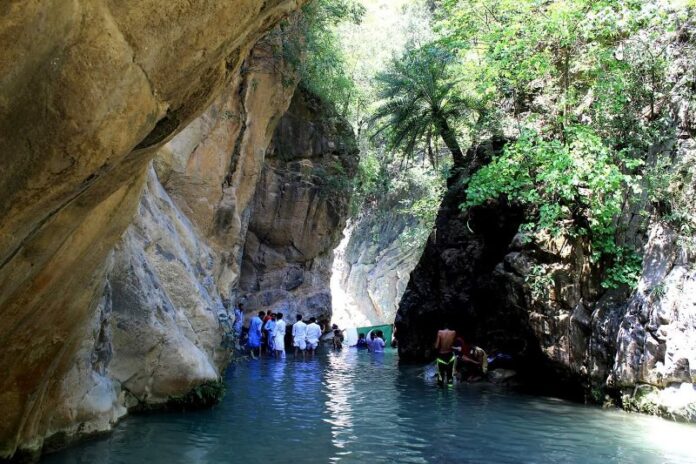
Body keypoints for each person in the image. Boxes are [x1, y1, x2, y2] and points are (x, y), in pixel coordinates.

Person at [434, 322, 457, 386]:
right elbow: (452, 344)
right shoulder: (453, 332)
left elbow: (436, 346)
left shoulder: (440, 332)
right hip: (450, 355)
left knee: (441, 375)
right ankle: (450, 389)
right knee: (450, 375)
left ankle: (440, 391)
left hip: (441, 355)